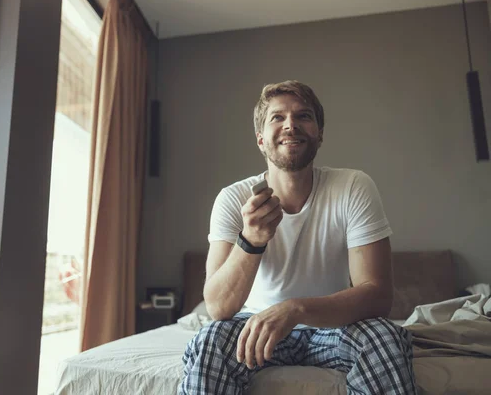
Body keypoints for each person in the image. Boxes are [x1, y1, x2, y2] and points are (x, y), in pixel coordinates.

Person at [178, 80, 417, 395]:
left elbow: (378, 295)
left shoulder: (353, 186)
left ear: (319, 134)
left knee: (384, 339)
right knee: (210, 341)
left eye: (303, 116)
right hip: (255, 329)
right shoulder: (231, 199)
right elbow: (218, 307)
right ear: (261, 139)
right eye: (277, 117)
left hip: (333, 328)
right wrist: (251, 240)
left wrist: (295, 309)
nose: (290, 124)